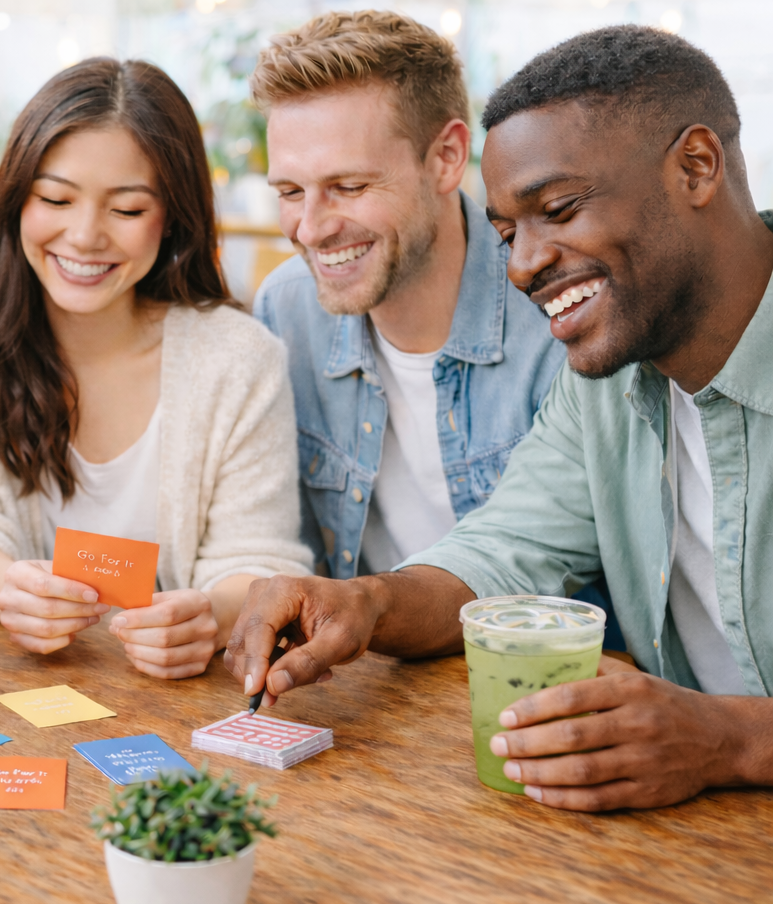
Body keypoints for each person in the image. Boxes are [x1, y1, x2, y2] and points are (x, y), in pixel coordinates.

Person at [226, 25, 773, 812]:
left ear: (696, 165)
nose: (520, 266)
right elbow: (505, 553)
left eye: (560, 209)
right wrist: (365, 602)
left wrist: (729, 739)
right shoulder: (609, 374)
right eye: (509, 233)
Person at [0, 58, 312, 679]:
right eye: (55, 199)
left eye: (127, 209)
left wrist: (213, 616)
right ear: (15, 199)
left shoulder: (240, 358)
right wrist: (9, 591)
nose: (86, 236)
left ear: (173, 217)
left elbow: (257, 554)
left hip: (174, 699)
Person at [252, 12, 575, 580]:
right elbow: (285, 552)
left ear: (447, 158)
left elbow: (563, 572)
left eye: (349, 186)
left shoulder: (558, 318)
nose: (310, 229)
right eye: (291, 191)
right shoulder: (286, 310)